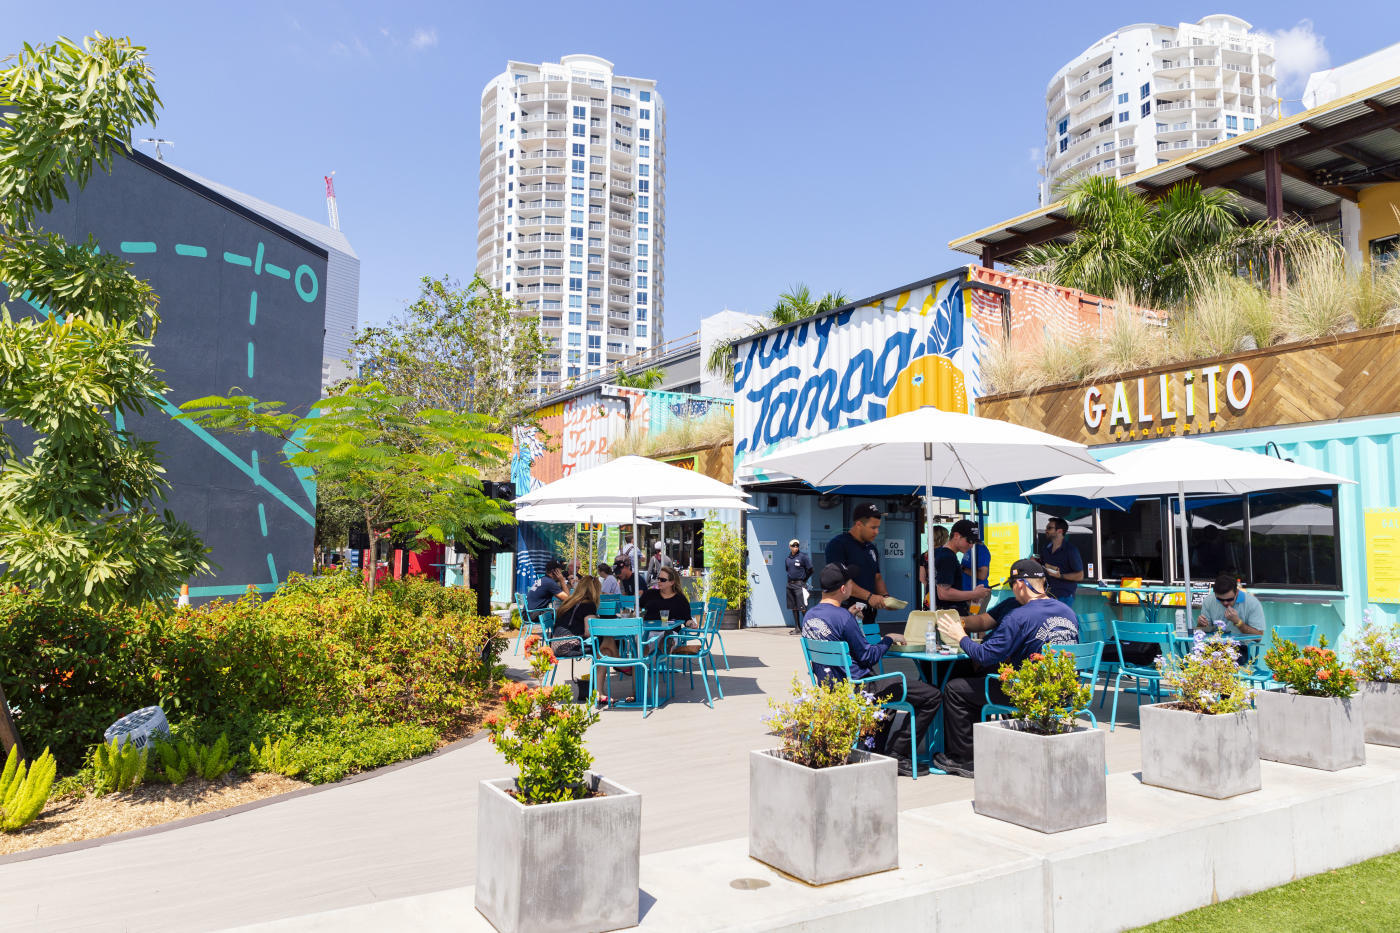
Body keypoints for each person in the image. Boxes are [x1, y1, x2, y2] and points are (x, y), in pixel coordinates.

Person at [930, 559, 1080, 778]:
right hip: (1065, 693)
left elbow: (984, 655)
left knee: (955, 689)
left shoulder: (1019, 616)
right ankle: (981, 747)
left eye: (1012, 585)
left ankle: (964, 759)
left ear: (1020, 584)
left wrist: (960, 636)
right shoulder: (1067, 612)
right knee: (976, 682)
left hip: (1029, 693)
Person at [801, 563, 942, 778]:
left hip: (830, 688)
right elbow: (868, 656)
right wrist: (888, 639)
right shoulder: (843, 618)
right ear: (843, 589)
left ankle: (877, 750)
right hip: (860, 688)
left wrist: (848, 616)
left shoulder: (810, 616)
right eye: (850, 583)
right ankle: (898, 753)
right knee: (932, 695)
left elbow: (834, 631)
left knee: (890, 697)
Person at [824, 504, 889, 626]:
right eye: (873, 527)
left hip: (869, 614)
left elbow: (877, 577)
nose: (877, 532)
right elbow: (841, 581)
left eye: (878, 527)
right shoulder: (838, 545)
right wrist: (870, 597)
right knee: (852, 645)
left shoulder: (872, 548)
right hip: (847, 612)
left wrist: (886, 598)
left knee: (869, 643)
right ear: (859, 524)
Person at [934, 520, 991, 616]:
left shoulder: (940, 552)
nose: (971, 545)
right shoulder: (948, 558)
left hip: (948, 613)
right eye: (969, 541)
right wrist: (974, 594)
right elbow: (943, 593)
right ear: (956, 536)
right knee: (978, 624)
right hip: (950, 616)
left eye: (973, 542)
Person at [1197, 573, 1264, 636]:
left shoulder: (1252, 602)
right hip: (1214, 644)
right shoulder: (1209, 600)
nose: (1225, 603)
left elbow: (1258, 636)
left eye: (1229, 599)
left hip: (1240, 644)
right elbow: (1203, 632)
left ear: (1237, 592)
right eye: (1220, 599)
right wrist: (1201, 625)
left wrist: (1238, 622)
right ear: (1215, 594)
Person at [1039, 516, 1085, 605]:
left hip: (1064, 596)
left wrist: (1060, 576)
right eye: (1046, 528)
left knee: (1060, 619)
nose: (1046, 530)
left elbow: (1080, 576)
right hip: (1048, 594)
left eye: (1049, 528)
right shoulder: (1046, 548)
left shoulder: (1071, 550)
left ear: (1059, 531)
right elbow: (1044, 565)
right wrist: (1035, 562)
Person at [552, 575, 600, 657]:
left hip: (556, 644)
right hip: (569, 646)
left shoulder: (569, 601)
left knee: (604, 643)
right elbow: (588, 632)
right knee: (605, 642)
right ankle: (622, 667)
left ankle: (621, 668)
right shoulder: (588, 604)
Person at [784, 539, 813, 630]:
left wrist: (804, 580)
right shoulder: (788, 559)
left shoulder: (803, 557)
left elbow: (811, 570)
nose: (795, 548)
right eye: (793, 546)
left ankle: (807, 627)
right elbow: (787, 570)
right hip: (790, 584)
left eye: (797, 546)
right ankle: (797, 627)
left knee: (802, 606)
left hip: (799, 584)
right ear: (790, 547)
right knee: (794, 606)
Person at [918, 525, 948, 609]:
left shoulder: (925, 555)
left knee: (929, 619)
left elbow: (921, 578)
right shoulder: (947, 554)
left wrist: (929, 586)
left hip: (929, 593)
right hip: (945, 593)